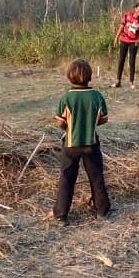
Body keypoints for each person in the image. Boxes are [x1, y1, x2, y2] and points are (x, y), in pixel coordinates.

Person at [49, 59, 111, 225]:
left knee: (67, 178)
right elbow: (103, 119)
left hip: (70, 145)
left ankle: (61, 215)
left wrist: (70, 127)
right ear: (90, 76)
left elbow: (61, 122)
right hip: (91, 144)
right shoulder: (97, 96)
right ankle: (102, 211)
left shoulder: (66, 98)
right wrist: (89, 123)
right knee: (96, 177)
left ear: (70, 77)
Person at [111, 2, 139, 89]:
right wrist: (116, 37)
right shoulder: (128, 15)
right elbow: (121, 26)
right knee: (121, 60)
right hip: (124, 40)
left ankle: (131, 82)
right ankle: (118, 80)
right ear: (135, 9)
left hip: (134, 42)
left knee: (132, 61)